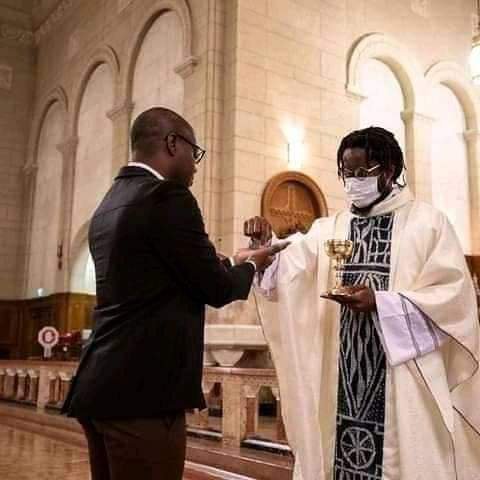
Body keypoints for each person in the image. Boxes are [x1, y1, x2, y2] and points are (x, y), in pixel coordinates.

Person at [61, 107, 288, 480]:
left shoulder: (110, 202)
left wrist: (235, 258)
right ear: (172, 143)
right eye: (194, 153)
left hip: (101, 384)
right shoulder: (168, 197)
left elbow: (167, 274)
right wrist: (254, 264)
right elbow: (214, 288)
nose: (196, 166)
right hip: (143, 394)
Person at [246, 127, 480, 480]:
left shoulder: (427, 224)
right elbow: (287, 272)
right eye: (346, 173)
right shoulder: (331, 228)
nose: (353, 182)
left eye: (362, 173)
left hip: (401, 381)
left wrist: (382, 304)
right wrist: (267, 251)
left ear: (388, 171)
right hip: (341, 378)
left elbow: (452, 298)